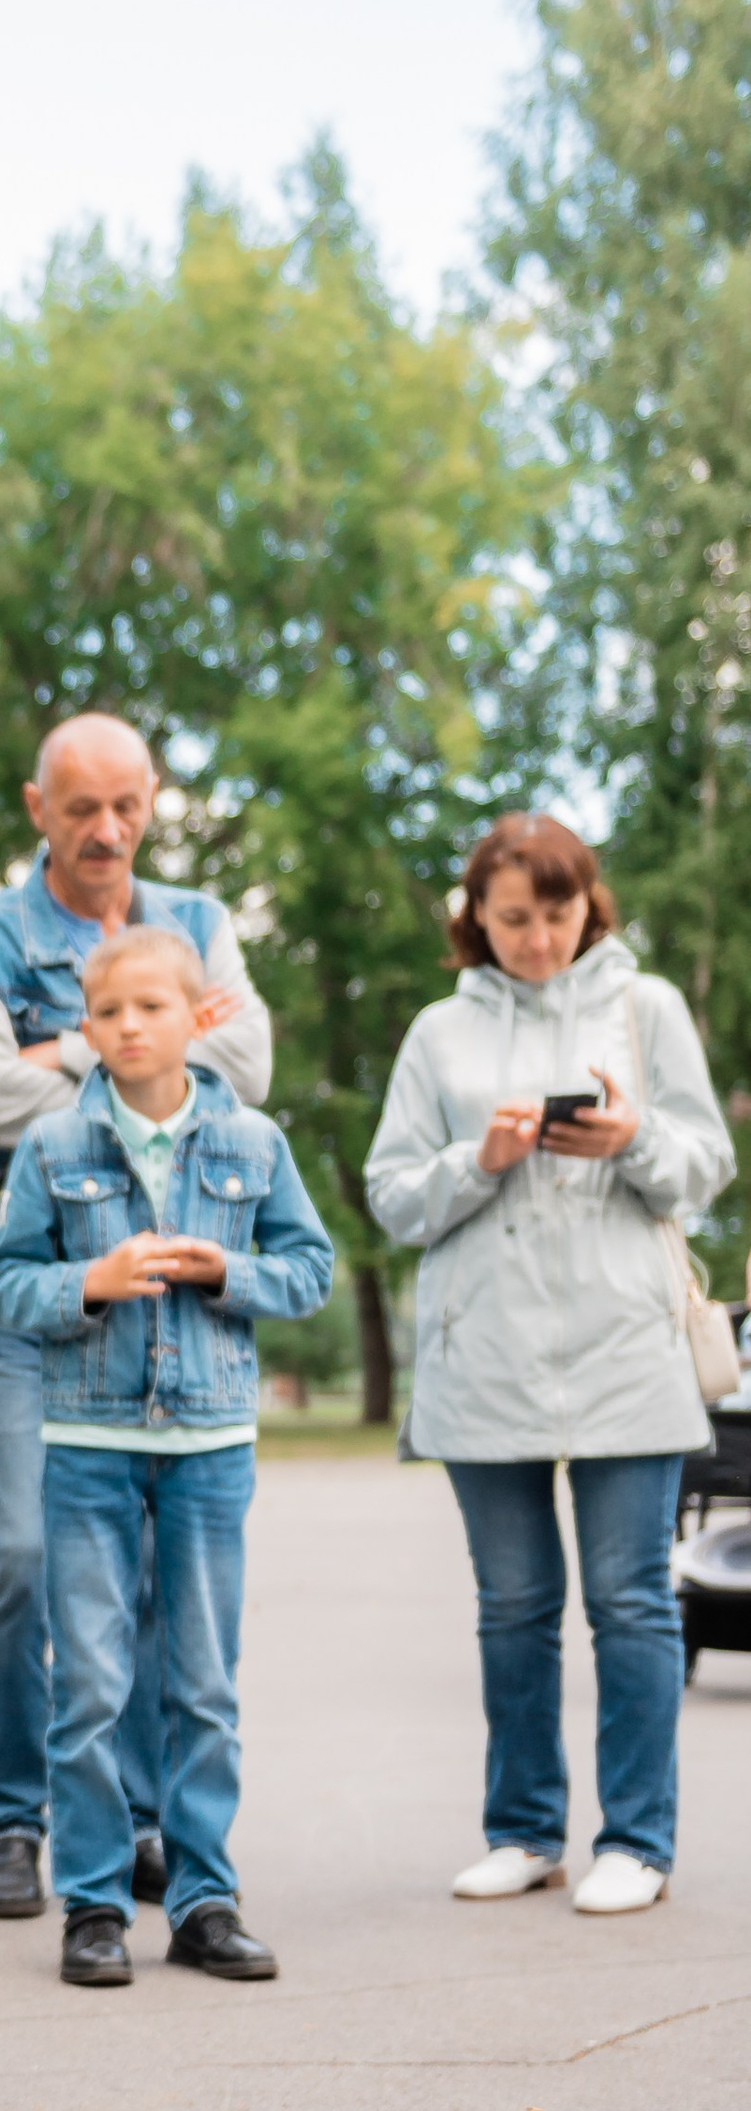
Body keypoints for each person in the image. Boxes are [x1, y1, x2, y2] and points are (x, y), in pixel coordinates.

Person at [0, 714, 274, 1923]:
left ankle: (130, 1825)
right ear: (38, 806)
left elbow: (252, 1073)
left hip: (165, 1305)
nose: (106, 830)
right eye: (80, 807)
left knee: (134, 1580)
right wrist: (142, 1042)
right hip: (24, 1290)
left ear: (150, 801)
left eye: (126, 805)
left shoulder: (197, 918)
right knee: (21, 1556)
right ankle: (11, 1820)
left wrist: (59, 1046)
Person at [364, 813, 733, 1916]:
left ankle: (638, 1841)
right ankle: (523, 1831)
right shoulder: (437, 1032)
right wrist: (478, 1160)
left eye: (557, 913)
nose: (536, 938)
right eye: (512, 916)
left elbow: (706, 1164)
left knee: (632, 1605)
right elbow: (391, 1196)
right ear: (474, 915)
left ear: (590, 905)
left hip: (626, 1354)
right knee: (513, 1606)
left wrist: (631, 1144)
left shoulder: (647, 1005)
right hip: (486, 1357)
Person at [0, 925, 334, 1988]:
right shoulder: (50, 1150)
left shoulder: (253, 1144)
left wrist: (228, 1267)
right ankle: (92, 1905)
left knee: (201, 1683)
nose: (128, 1027)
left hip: (209, 1447)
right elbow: (2, 1288)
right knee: (88, 1681)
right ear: (82, 1029)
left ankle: (202, 1898)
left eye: (151, 1007)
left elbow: (308, 1270)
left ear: (200, 1016)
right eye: (108, 1013)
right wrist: (84, 1285)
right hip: (87, 1448)